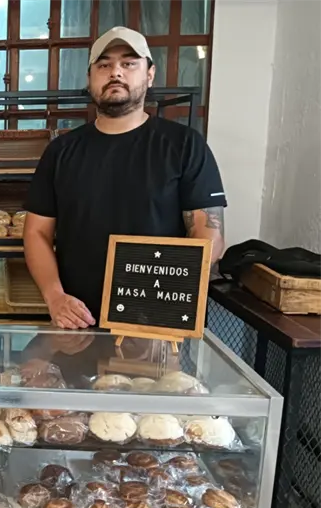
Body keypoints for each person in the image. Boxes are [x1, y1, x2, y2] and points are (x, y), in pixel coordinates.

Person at [23, 26, 227, 331]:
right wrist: (55, 297)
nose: (115, 72)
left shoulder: (184, 145)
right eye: (104, 65)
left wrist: (157, 306)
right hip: (79, 323)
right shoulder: (61, 151)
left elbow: (209, 234)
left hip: (157, 326)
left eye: (129, 63)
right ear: (90, 77)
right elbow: (36, 233)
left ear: (150, 74)